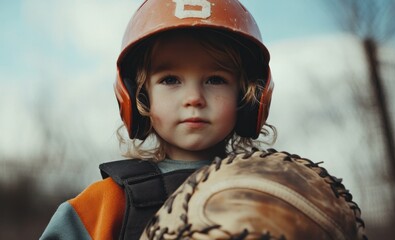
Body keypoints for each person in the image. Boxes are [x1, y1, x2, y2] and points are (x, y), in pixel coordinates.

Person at [40, 0, 276, 239]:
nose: (194, 98)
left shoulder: (274, 193)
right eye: (170, 80)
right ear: (138, 96)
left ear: (248, 97)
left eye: (215, 79)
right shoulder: (106, 204)